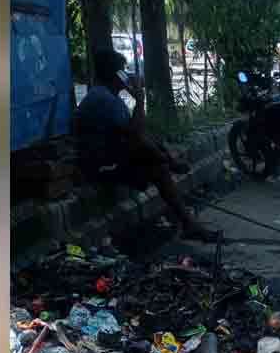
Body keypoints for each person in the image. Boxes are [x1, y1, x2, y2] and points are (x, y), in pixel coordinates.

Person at [73, 48, 218, 241]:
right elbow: (135, 135)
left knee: (155, 149)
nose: (129, 75)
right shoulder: (105, 100)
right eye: (124, 71)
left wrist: (161, 153)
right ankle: (188, 223)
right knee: (158, 167)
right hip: (99, 166)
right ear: (117, 74)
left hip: (108, 156)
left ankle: (187, 221)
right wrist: (140, 100)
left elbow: (138, 133)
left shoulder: (106, 96)